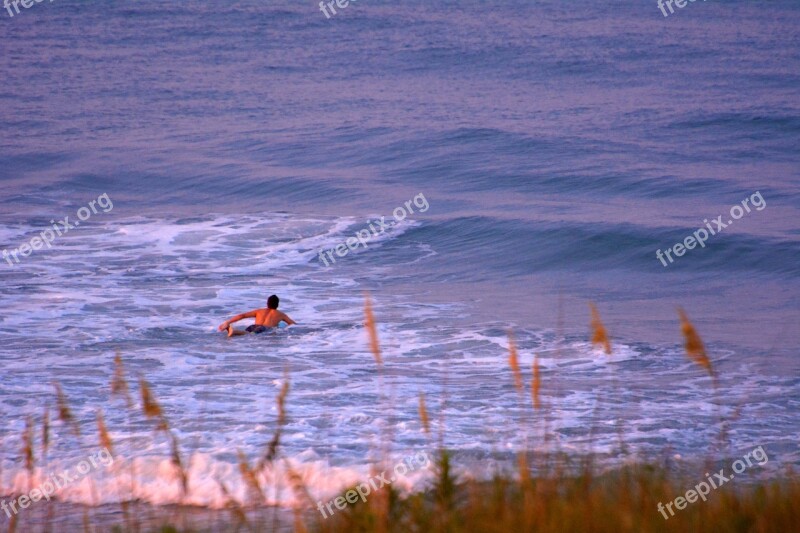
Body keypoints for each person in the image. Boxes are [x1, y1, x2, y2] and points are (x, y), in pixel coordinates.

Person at [218, 295, 296, 337]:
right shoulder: (280, 314)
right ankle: (234, 331)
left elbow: (242, 315)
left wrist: (228, 321)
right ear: (277, 304)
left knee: (247, 332)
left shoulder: (259, 311)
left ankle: (232, 330)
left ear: (267, 303)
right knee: (250, 335)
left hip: (254, 326)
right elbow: (293, 324)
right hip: (264, 328)